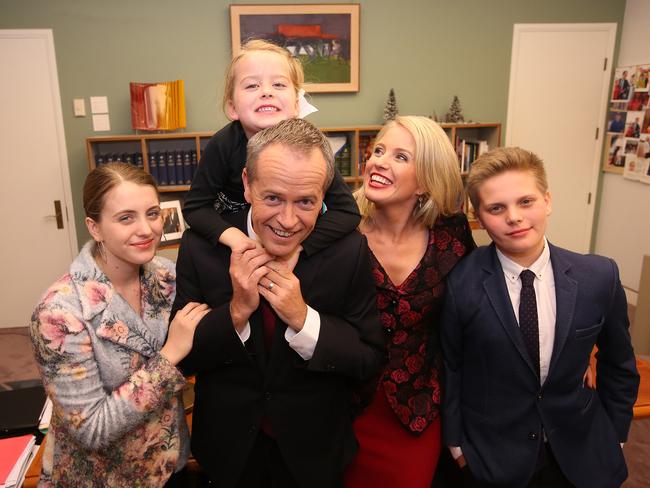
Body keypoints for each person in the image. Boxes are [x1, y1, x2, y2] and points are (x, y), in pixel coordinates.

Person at [173, 118, 385, 488]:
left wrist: (303, 319)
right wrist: (237, 311)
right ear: (247, 184)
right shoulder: (199, 248)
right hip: (229, 454)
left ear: (325, 196)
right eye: (272, 198)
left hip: (315, 454)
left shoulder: (349, 251)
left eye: (306, 202)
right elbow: (186, 359)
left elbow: (367, 360)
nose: (287, 221)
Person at [441, 147, 640, 487]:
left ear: (547, 200)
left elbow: (619, 364)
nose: (514, 217)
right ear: (478, 216)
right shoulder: (461, 285)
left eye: (526, 202)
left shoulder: (599, 277)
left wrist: (616, 433)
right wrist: (458, 447)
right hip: (495, 456)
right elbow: (451, 371)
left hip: (581, 449)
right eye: (496, 208)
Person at [30, 163, 210, 487]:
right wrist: (169, 356)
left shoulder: (168, 277)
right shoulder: (60, 313)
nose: (146, 229)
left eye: (152, 213)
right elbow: (92, 429)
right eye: (126, 218)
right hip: (104, 479)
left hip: (170, 465)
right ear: (95, 228)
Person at [343, 116, 475, 488]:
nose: (379, 161)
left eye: (401, 157)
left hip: (418, 410)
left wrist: (565, 351)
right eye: (379, 151)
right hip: (343, 408)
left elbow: (488, 300)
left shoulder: (452, 232)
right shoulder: (340, 228)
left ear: (426, 181)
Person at [182, 39, 360, 256]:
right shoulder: (223, 145)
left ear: (296, 104)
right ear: (232, 108)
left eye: (278, 84)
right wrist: (237, 239)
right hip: (234, 242)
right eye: (251, 85)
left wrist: (301, 248)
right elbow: (195, 207)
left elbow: (347, 212)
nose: (266, 92)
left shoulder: (311, 152)